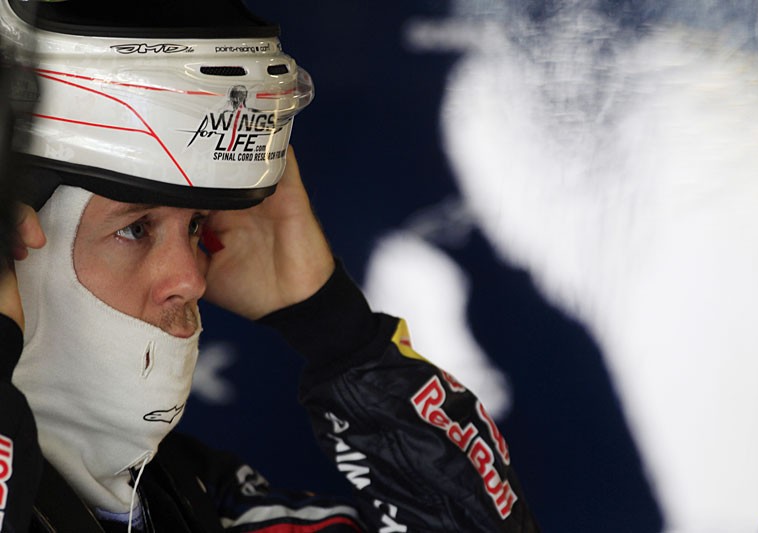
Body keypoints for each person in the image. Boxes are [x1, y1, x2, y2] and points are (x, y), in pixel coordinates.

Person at [0, 0, 539, 531]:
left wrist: (331, 324)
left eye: (195, 227)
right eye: (135, 228)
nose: (191, 277)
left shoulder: (200, 501)